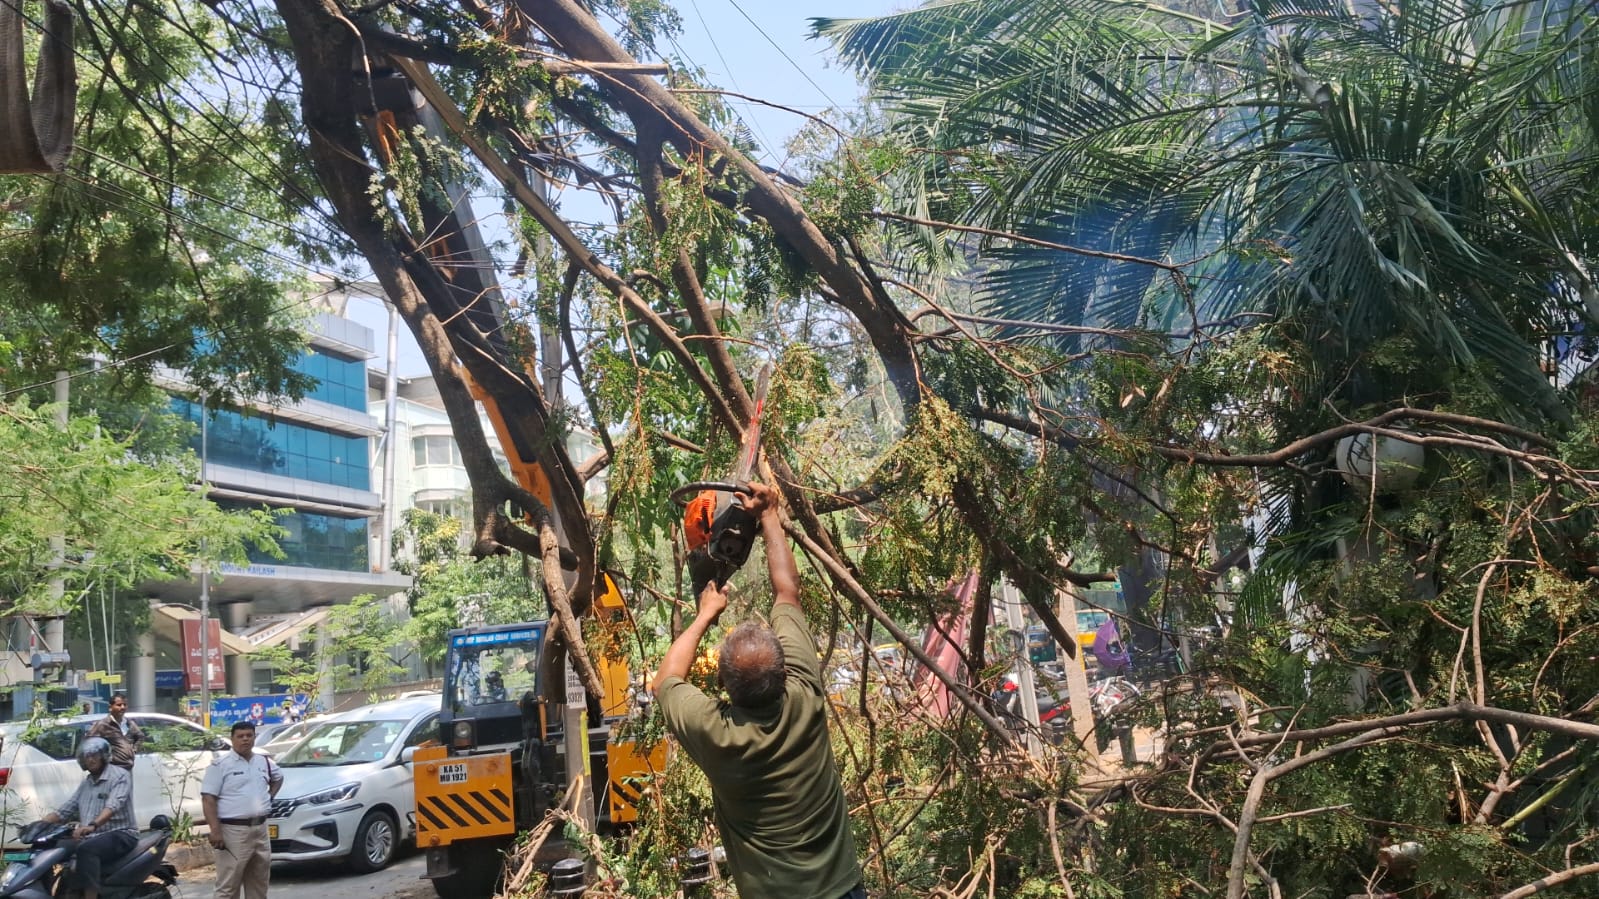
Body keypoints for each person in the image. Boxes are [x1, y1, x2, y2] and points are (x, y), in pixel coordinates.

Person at [652, 482, 865, 899]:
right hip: (843, 890)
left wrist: (704, 616)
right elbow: (787, 590)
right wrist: (769, 513)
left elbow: (665, 681)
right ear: (786, 670)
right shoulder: (805, 695)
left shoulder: (716, 733)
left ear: (722, 687)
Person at [39, 737, 137, 899]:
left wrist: (92, 825)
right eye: (86, 756)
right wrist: (38, 825)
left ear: (104, 756)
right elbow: (66, 810)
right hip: (92, 835)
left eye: (94, 755)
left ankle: (90, 895)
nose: (90, 759)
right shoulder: (87, 782)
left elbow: (113, 805)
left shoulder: (120, 776)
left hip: (121, 834)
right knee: (53, 846)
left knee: (87, 849)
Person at [201, 721, 282, 899]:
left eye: (249, 735)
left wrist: (269, 797)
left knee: (259, 884)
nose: (245, 740)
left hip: (260, 830)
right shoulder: (220, 765)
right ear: (232, 739)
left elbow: (278, 778)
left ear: (254, 737)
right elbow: (208, 799)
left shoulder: (263, 762)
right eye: (240, 736)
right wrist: (215, 831)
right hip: (233, 832)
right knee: (228, 886)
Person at [88, 692, 146, 772]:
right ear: (110, 707)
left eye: (124, 705)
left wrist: (133, 750)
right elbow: (89, 743)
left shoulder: (129, 723)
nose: (122, 707)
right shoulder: (103, 725)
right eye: (119, 705)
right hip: (110, 770)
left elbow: (140, 736)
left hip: (127, 769)